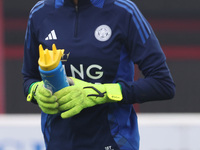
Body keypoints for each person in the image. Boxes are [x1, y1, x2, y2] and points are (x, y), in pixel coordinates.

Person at [22, 0, 175, 149]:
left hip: (114, 142)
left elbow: (162, 83)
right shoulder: (39, 13)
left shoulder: (124, 11)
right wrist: (37, 91)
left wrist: (99, 93)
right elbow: (29, 79)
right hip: (58, 143)